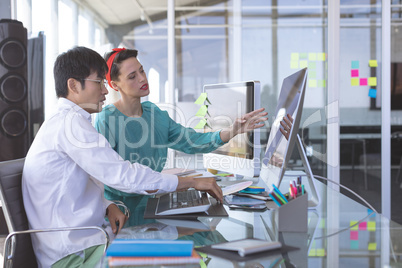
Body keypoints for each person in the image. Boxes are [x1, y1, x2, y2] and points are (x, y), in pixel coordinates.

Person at [22, 46, 223, 268]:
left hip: (91, 242)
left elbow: (73, 185)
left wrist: (107, 204)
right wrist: (192, 182)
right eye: (99, 82)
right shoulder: (70, 125)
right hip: (76, 256)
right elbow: (123, 175)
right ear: (73, 85)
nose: (105, 91)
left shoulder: (69, 122)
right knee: (182, 255)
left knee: (184, 246)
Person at [94, 48, 268, 215]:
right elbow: (112, 175)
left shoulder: (154, 113)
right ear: (115, 85)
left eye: (142, 71)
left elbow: (192, 141)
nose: (141, 78)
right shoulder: (107, 119)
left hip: (154, 202)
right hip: (120, 212)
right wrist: (187, 182)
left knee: (205, 235)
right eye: (132, 76)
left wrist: (234, 130)